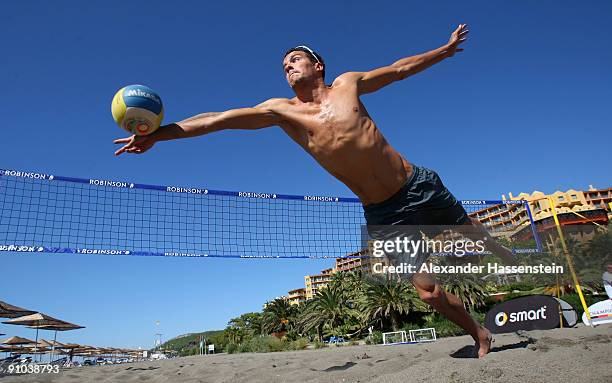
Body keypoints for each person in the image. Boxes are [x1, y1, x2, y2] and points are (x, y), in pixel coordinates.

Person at [115, 24, 510, 357]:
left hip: (416, 184)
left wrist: (443, 50)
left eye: (295, 60)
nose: (288, 67)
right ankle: (480, 333)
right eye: (284, 66)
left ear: (317, 66)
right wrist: (159, 137)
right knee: (427, 293)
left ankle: (491, 249)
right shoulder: (282, 111)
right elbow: (217, 119)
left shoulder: (348, 84)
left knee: (473, 237)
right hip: (383, 212)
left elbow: (398, 69)